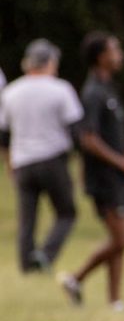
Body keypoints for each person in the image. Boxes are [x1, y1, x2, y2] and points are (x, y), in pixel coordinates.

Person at [59, 32, 124, 310]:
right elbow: (88, 139)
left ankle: (115, 300)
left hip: (118, 176)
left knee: (120, 241)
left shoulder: (109, 89)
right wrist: (121, 164)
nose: (119, 54)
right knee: (121, 238)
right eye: (114, 50)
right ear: (100, 57)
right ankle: (76, 278)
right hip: (103, 178)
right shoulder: (93, 93)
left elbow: (113, 137)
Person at [0, 40, 84, 273]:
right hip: (52, 159)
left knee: (27, 219)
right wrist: (81, 162)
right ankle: (45, 254)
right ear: (48, 62)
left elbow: (4, 136)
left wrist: (9, 163)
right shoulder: (61, 89)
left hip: (23, 162)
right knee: (67, 212)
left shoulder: (11, 92)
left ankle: (27, 265)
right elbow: (76, 131)